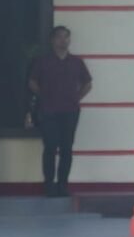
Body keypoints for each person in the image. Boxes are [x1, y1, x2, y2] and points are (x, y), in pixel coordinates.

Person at [28, 26, 92, 197]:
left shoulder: (76, 62)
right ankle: (48, 185)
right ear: (52, 40)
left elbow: (87, 83)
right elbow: (32, 82)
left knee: (66, 148)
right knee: (50, 147)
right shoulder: (43, 61)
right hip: (48, 110)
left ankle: (63, 185)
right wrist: (43, 96)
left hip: (70, 111)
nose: (63, 40)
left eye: (66, 37)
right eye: (59, 37)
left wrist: (77, 97)